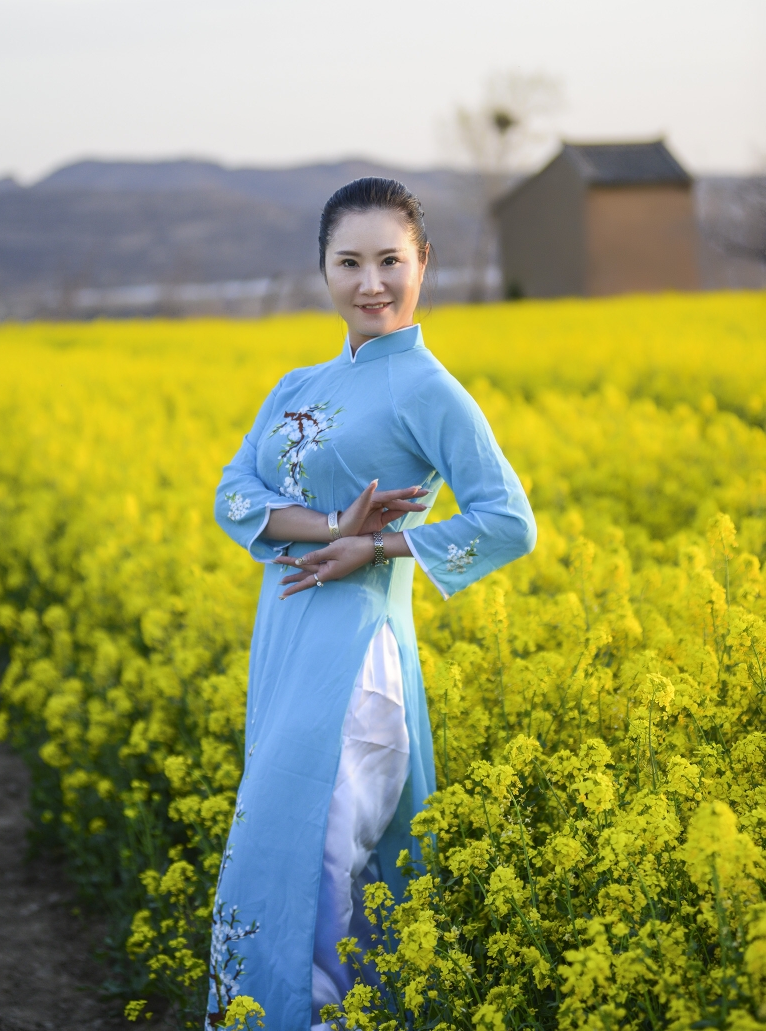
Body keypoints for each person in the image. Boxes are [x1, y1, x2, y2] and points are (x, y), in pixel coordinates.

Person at [206, 177, 536, 1031]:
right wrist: (327, 524)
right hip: (284, 642)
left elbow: (508, 521)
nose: (371, 283)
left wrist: (377, 545)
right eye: (348, 262)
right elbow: (232, 494)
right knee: (271, 856)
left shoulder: (426, 388)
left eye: (390, 260)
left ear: (423, 263)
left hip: (356, 660)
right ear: (322, 269)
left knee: (315, 858)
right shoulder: (296, 382)